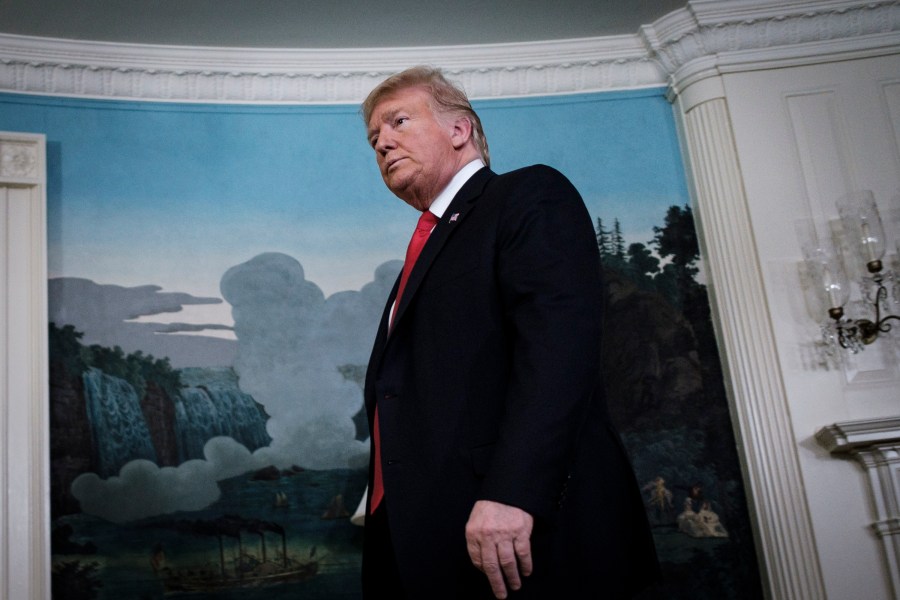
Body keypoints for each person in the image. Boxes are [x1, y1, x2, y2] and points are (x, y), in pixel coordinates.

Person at [360, 65, 659, 599]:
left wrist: (515, 491)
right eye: (374, 137)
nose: (382, 142)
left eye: (398, 121)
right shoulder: (427, 247)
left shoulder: (527, 196)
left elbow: (559, 349)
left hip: (514, 529)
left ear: (459, 130)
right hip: (427, 541)